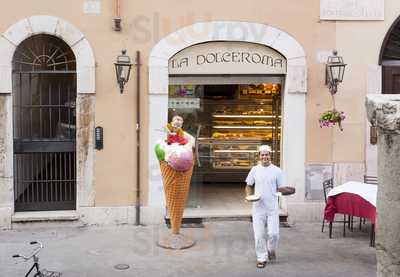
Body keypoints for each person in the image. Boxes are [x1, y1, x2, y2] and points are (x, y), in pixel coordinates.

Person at [245, 145, 284, 268]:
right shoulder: (255, 170)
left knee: (273, 234)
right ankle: (261, 258)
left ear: (270, 155)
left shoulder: (277, 170)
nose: (264, 157)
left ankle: (271, 249)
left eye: (266, 154)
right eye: (262, 154)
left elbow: (281, 188)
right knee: (259, 235)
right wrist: (249, 196)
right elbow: (248, 185)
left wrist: (285, 191)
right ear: (259, 156)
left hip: (272, 206)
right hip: (258, 207)